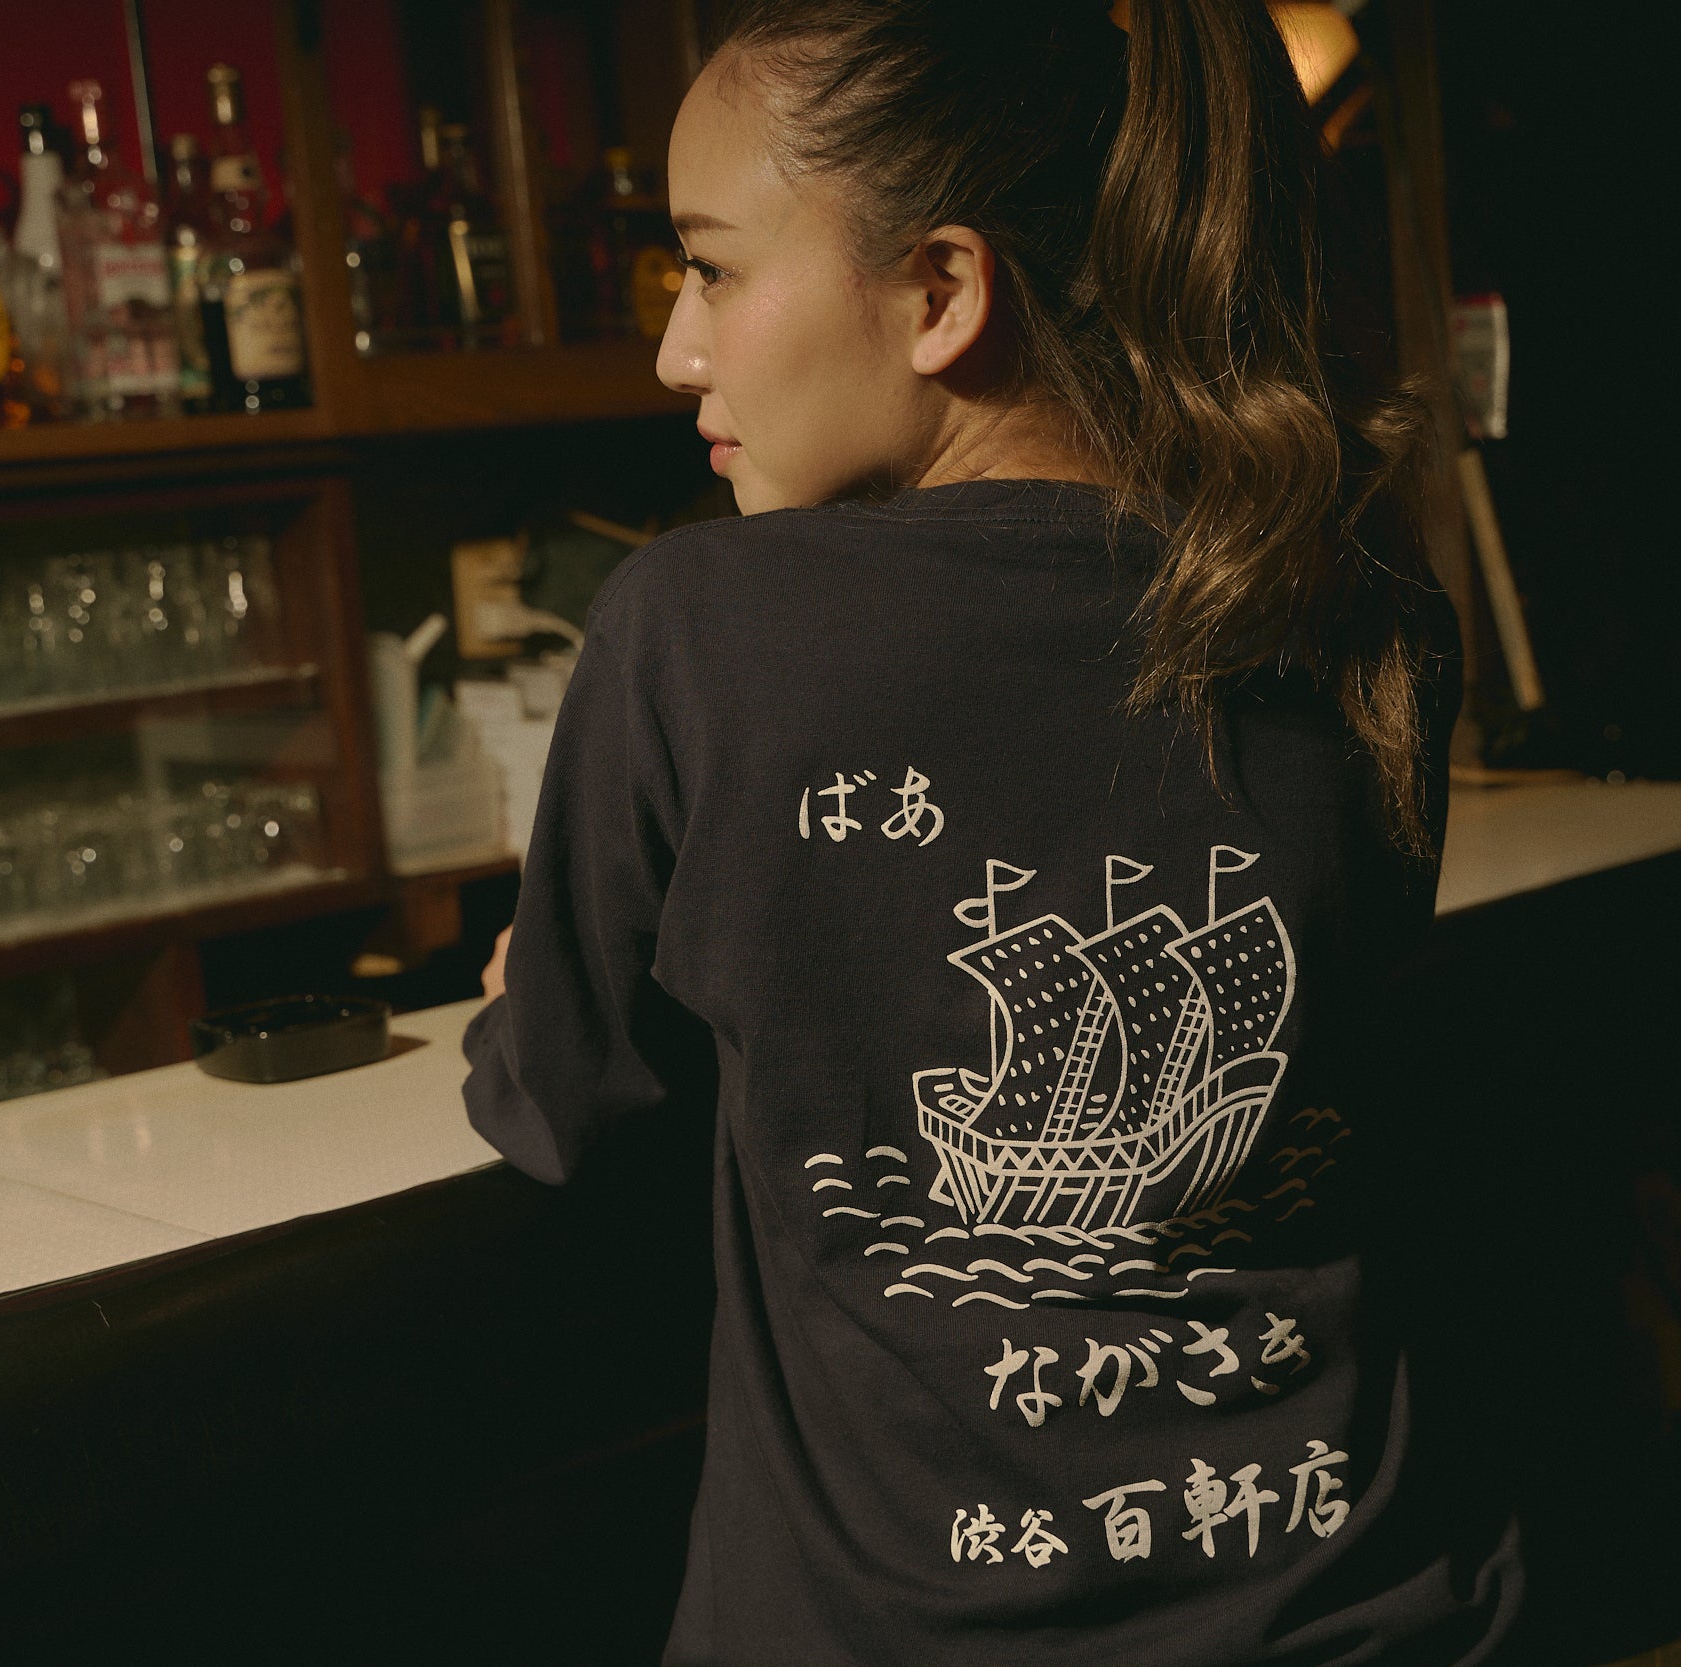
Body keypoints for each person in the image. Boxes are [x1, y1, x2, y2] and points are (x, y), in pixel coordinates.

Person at [461, 1, 1520, 1659]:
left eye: (713, 269)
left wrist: (533, 990)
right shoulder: (1366, 612)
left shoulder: (694, 630)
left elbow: (559, 1105)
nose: (676, 350)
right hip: (1371, 1611)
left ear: (942, 291)